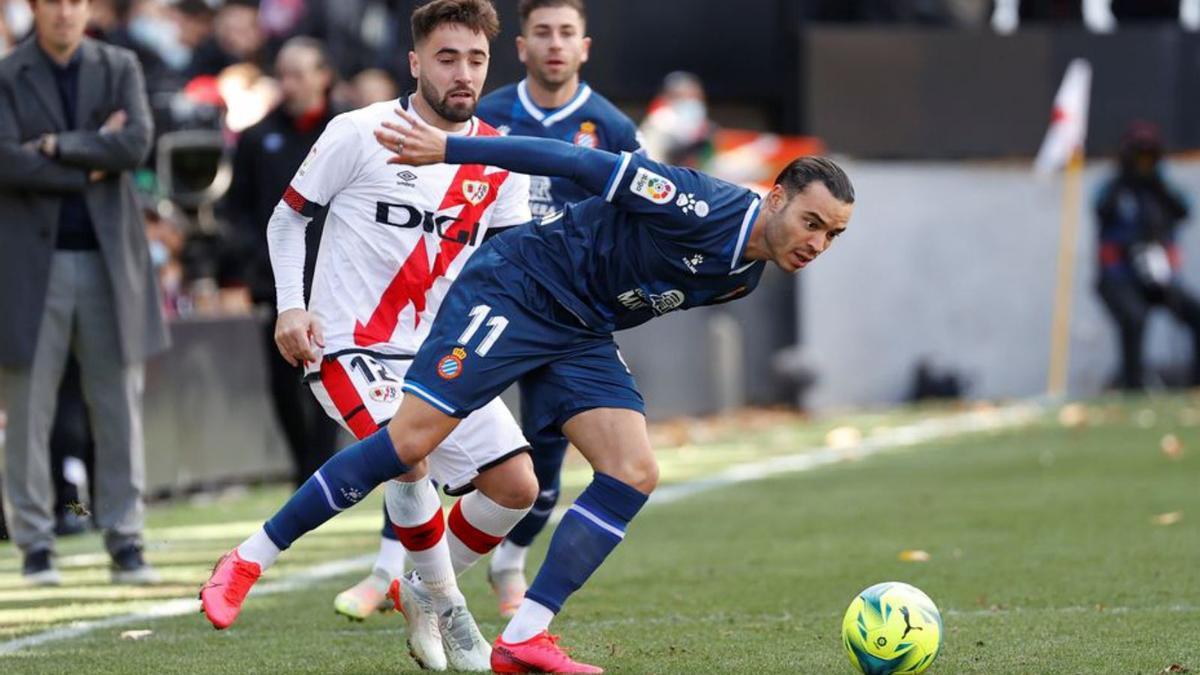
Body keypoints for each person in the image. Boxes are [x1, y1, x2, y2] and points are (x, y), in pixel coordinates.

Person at [201, 93, 853, 672]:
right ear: (776, 197)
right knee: (409, 444)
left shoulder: (746, 274)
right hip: (521, 288)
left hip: (580, 327)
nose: (818, 243)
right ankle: (251, 556)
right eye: (812, 222)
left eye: (833, 234)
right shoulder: (698, 201)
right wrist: (452, 148)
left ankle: (522, 634)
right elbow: (573, 163)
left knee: (630, 469)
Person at [201, 2, 542, 671]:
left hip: (440, 354)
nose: (463, 73)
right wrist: (292, 308)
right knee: (406, 454)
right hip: (348, 342)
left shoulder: (501, 162)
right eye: (447, 58)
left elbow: (506, 270)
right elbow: (286, 220)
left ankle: (419, 587)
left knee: (517, 486)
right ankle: (256, 561)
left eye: (475, 59)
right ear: (415, 63)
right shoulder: (360, 132)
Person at [472, 0, 644, 619]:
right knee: (422, 432)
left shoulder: (613, 128)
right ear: (520, 45)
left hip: (566, 319)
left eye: (565, 33)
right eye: (541, 32)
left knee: (544, 462)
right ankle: (391, 569)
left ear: (584, 46)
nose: (554, 44)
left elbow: (638, 221)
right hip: (488, 300)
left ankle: (510, 562)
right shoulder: (487, 115)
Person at [0, 0, 167, 586]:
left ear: (87, 7)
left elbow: (136, 144)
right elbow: (4, 161)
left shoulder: (119, 65)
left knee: (118, 404)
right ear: (35, 9)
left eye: (75, 1)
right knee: (26, 411)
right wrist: (92, 153)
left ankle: (125, 539)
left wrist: (52, 146)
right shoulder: (6, 72)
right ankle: (35, 545)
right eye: (53, 3)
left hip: (108, 259)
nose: (65, 13)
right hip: (28, 266)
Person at [223, 36, 342, 488]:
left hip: (336, 279)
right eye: (283, 74)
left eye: (299, 73)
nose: (289, 84)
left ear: (323, 76)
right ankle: (302, 469)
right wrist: (256, 256)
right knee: (282, 380)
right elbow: (237, 207)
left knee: (328, 378)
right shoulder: (258, 137)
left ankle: (319, 472)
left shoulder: (347, 129)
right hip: (276, 281)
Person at [1095, 121, 1200, 390]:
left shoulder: (1161, 187)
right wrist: (1124, 177)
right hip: (1120, 277)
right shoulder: (1115, 188)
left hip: (1158, 276)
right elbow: (1100, 208)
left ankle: (1195, 384)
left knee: (1194, 312)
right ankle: (1133, 386)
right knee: (1134, 316)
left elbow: (1184, 209)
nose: (1143, 160)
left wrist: (1157, 184)